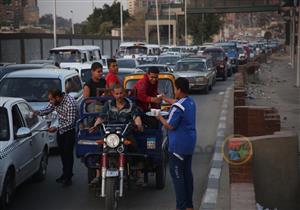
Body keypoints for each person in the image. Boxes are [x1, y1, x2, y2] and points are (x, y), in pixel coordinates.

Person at [90, 84, 144, 184]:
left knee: (135, 148)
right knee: (99, 150)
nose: (119, 95)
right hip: (110, 134)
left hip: (125, 132)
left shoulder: (131, 105)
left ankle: (139, 174)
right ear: (113, 94)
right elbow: (101, 117)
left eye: (121, 93)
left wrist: (138, 125)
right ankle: (97, 175)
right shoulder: (109, 104)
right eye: (117, 94)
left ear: (124, 93)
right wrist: (95, 125)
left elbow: (136, 117)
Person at [156, 77, 196, 210]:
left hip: (178, 147)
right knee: (187, 175)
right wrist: (165, 98)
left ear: (178, 89)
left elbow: (169, 125)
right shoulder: (190, 102)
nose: (174, 91)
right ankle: (189, 206)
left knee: (178, 178)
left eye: (174, 88)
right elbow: (176, 103)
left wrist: (158, 116)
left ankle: (181, 206)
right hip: (189, 144)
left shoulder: (178, 107)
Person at [34, 89, 78, 187]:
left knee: (68, 154)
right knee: (62, 153)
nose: (50, 102)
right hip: (61, 130)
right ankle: (65, 174)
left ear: (57, 97)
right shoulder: (56, 101)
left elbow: (71, 123)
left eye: (51, 100)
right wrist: (36, 113)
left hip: (69, 131)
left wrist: (56, 128)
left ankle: (68, 177)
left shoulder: (70, 103)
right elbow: (47, 109)